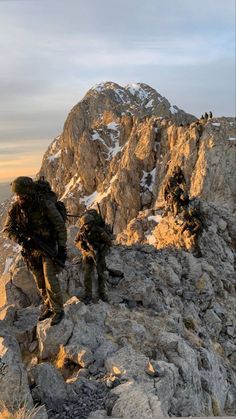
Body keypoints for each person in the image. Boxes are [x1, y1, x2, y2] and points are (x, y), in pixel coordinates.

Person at [3, 176, 67, 325]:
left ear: (29, 192)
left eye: (22, 195)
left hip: (48, 246)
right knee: (40, 281)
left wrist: (62, 248)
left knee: (50, 278)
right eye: (17, 195)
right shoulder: (16, 208)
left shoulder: (44, 205)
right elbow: (7, 229)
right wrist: (22, 240)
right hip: (31, 251)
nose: (19, 198)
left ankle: (58, 310)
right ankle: (48, 305)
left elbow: (60, 226)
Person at [75, 210, 112, 304]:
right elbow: (76, 242)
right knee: (87, 274)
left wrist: (102, 251)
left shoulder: (99, 230)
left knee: (101, 274)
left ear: (92, 223)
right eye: (85, 224)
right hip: (87, 254)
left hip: (98, 253)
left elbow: (109, 242)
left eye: (88, 224)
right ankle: (88, 295)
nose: (86, 226)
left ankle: (102, 293)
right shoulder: (82, 232)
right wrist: (82, 246)